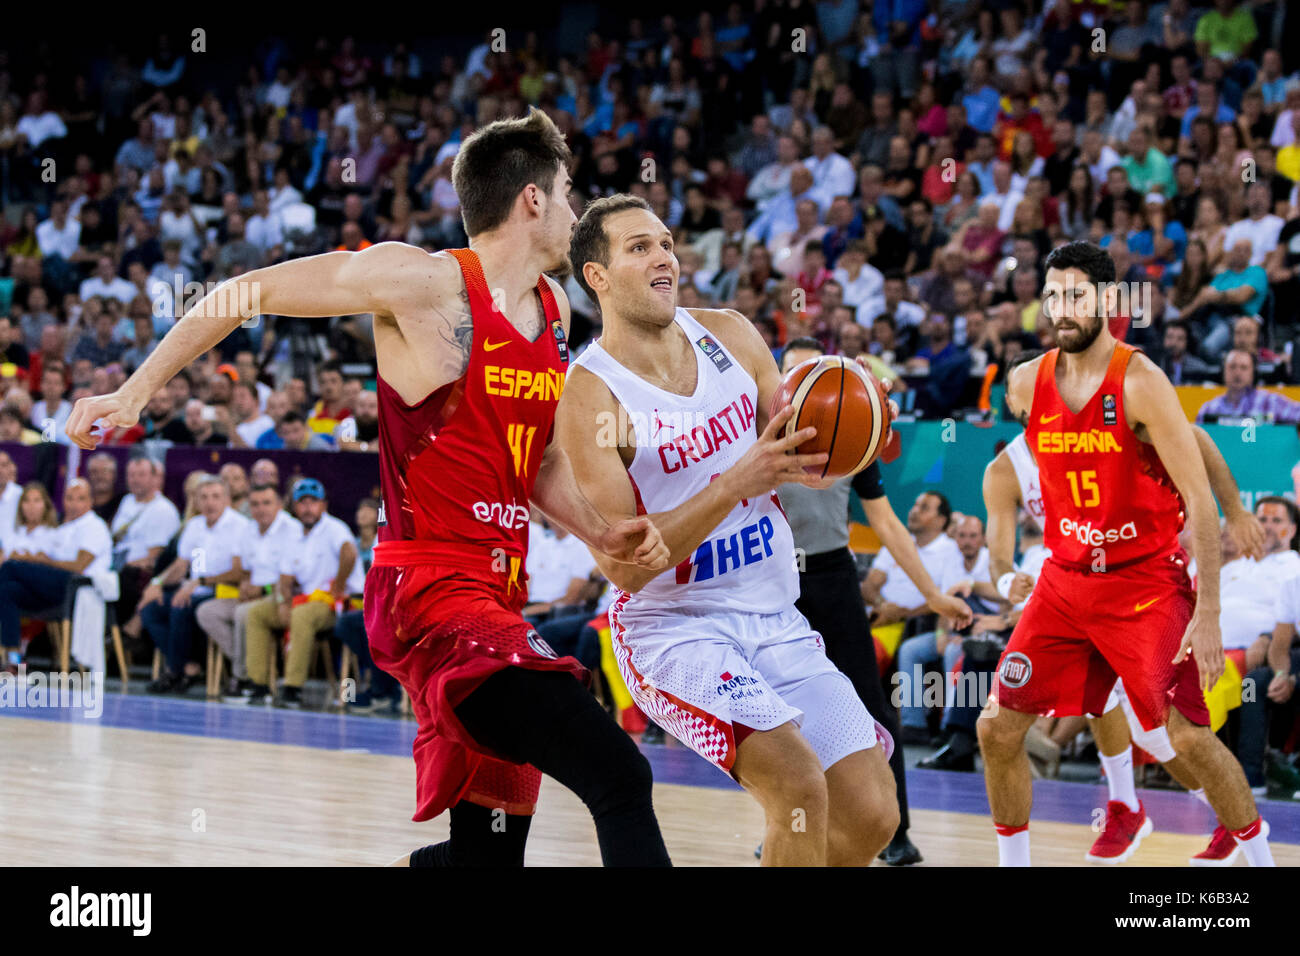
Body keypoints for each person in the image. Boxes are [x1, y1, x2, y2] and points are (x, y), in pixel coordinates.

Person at [67, 108, 672, 868]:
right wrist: (133, 393)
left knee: (486, 858)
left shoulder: (553, 311)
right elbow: (246, 291)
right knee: (619, 773)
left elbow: (540, 463)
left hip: (497, 594)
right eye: (569, 191)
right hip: (430, 592)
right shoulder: (421, 281)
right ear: (531, 200)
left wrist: (597, 530)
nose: (577, 209)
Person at [560, 193, 899, 866]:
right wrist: (738, 482)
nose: (663, 256)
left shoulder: (732, 335)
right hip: (676, 630)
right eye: (638, 247)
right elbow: (627, 568)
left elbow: (797, 431)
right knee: (799, 788)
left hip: (773, 614)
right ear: (596, 277)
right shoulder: (591, 395)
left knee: (870, 817)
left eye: (664, 242)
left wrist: (846, 427)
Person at [979, 241, 1272, 867]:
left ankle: (1254, 850)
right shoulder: (1025, 384)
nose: (1062, 308)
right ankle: (1034, 855)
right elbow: (1003, 560)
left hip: (1143, 580)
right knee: (995, 728)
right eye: (1053, 295)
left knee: (1183, 739)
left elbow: (1197, 477)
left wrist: (1210, 607)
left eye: (1077, 295)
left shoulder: (1140, 381)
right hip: (1063, 581)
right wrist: (1011, 586)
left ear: (1109, 301)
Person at [774, 337, 972, 866]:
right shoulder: (759, 434)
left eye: (812, 373)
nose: (803, 387)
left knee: (871, 708)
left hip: (833, 575)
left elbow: (886, 523)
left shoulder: (852, 435)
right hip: (773, 582)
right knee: (776, 720)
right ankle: (785, 828)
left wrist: (932, 594)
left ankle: (897, 832)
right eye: (793, 375)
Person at [241, 478, 363, 708]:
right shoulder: (293, 534)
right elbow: (285, 579)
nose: (308, 508)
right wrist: (282, 603)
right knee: (256, 613)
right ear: (295, 507)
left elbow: (349, 553)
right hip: (304, 599)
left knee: (302, 616)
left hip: (335, 603)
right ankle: (258, 684)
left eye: (313, 502)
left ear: (324, 505)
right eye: (303, 503)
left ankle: (292, 688)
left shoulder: (334, 528)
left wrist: (338, 584)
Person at [138, 475, 250, 694]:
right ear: (196, 502)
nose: (210, 503)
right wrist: (157, 582)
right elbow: (182, 565)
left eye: (216, 497)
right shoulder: (195, 526)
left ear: (227, 500)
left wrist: (199, 582)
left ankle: (175, 672)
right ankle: (189, 665)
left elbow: (239, 572)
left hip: (226, 590)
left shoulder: (239, 526)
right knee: (151, 609)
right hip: (197, 588)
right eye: (204, 497)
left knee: (182, 606)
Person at [196, 481, 301, 698]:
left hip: (280, 595)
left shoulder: (292, 529)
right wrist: (244, 584)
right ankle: (245, 663)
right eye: (255, 504)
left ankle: (242, 678)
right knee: (207, 611)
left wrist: (262, 590)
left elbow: (294, 577)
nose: (260, 509)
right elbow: (244, 570)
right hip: (251, 594)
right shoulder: (248, 529)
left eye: (266, 503)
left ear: (279, 505)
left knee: (244, 613)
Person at [0, 479, 112, 670]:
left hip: (76, 586)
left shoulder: (94, 526)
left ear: (90, 501)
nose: (74, 504)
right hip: (52, 589)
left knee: (10, 567)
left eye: (80, 499)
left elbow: (79, 566)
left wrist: (41, 560)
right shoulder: (65, 528)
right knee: (8, 590)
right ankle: (14, 661)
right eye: (69, 498)